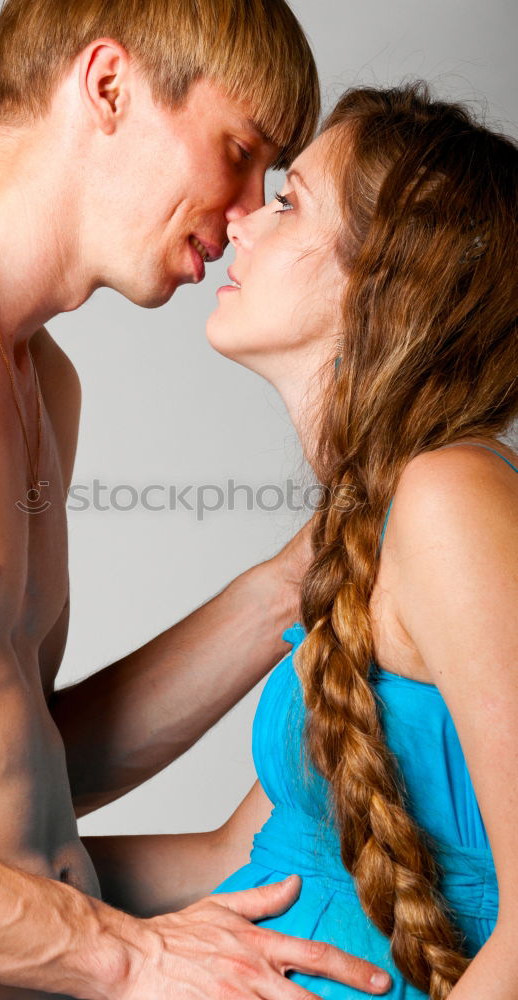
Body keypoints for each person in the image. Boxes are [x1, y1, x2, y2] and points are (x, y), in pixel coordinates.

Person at [0, 0, 394, 997]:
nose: (245, 215)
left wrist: (289, 585)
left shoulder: (42, 377)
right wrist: (127, 952)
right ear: (108, 86)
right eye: (237, 150)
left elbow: (10, 767)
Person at [84, 83, 518, 998]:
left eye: (288, 202)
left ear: (389, 276)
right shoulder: (368, 521)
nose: (240, 220)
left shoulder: (451, 497)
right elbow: (236, 858)